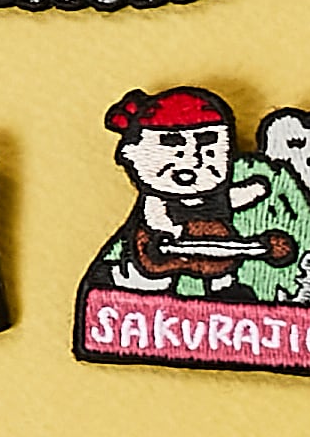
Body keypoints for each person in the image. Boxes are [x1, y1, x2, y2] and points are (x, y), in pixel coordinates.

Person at [100, 87, 294, 297]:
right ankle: (143, 287)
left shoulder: (214, 197)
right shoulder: (157, 200)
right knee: (154, 275)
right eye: (172, 144)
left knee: (220, 267)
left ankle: (224, 289)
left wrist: (252, 192)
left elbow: (229, 199)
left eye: (207, 144)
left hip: (213, 244)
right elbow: (155, 214)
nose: (192, 159)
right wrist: (167, 230)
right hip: (164, 248)